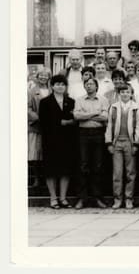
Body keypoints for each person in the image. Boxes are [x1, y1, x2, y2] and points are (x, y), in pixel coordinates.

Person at [39, 75, 78, 209]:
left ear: (66, 86)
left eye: (62, 84)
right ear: (52, 86)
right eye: (57, 84)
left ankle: (63, 198)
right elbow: (43, 122)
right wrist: (61, 123)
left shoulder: (72, 101)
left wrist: (69, 123)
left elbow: (75, 119)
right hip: (50, 140)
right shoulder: (45, 102)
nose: (60, 86)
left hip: (67, 141)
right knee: (51, 170)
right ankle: (53, 198)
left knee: (65, 169)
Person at [105, 84, 139, 209]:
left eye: (127, 92)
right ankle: (117, 198)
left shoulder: (136, 108)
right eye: (122, 92)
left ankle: (129, 198)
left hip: (129, 142)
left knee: (130, 172)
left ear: (131, 93)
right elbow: (109, 125)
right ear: (119, 94)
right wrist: (109, 142)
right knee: (117, 172)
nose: (125, 94)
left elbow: (138, 126)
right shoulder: (114, 107)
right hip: (117, 142)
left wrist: (136, 142)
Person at [73, 78, 110, 209]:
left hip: (98, 133)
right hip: (83, 133)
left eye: (91, 84)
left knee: (98, 166)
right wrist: (95, 113)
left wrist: (86, 115)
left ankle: (97, 198)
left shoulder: (103, 100)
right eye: (86, 84)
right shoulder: (79, 100)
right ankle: (82, 198)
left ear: (96, 86)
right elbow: (77, 116)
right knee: (83, 165)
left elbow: (105, 117)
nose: (89, 86)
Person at [28, 68, 52, 188]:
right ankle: (37, 179)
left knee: (48, 153)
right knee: (36, 154)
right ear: (37, 77)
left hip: (51, 127)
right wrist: (37, 117)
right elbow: (28, 108)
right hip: (37, 126)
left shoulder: (52, 90)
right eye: (41, 75)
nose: (43, 77)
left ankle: (49, 179)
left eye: (46, 75)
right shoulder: (31, 91)